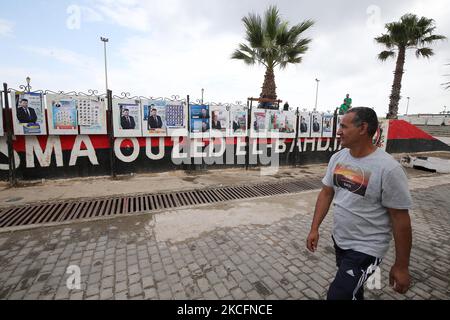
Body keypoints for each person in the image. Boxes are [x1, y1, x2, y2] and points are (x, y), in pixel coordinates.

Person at [306, 107, 412, 300]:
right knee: (353, 292)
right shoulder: (338, 158)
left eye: (344, 126)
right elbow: (326, 192)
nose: (338, 131)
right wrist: (314, 228)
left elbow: (400, 219)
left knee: (338, 296)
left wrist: (402, 266)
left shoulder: (388, 169)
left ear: (362, 128)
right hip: (340, 240)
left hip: (367, 248)